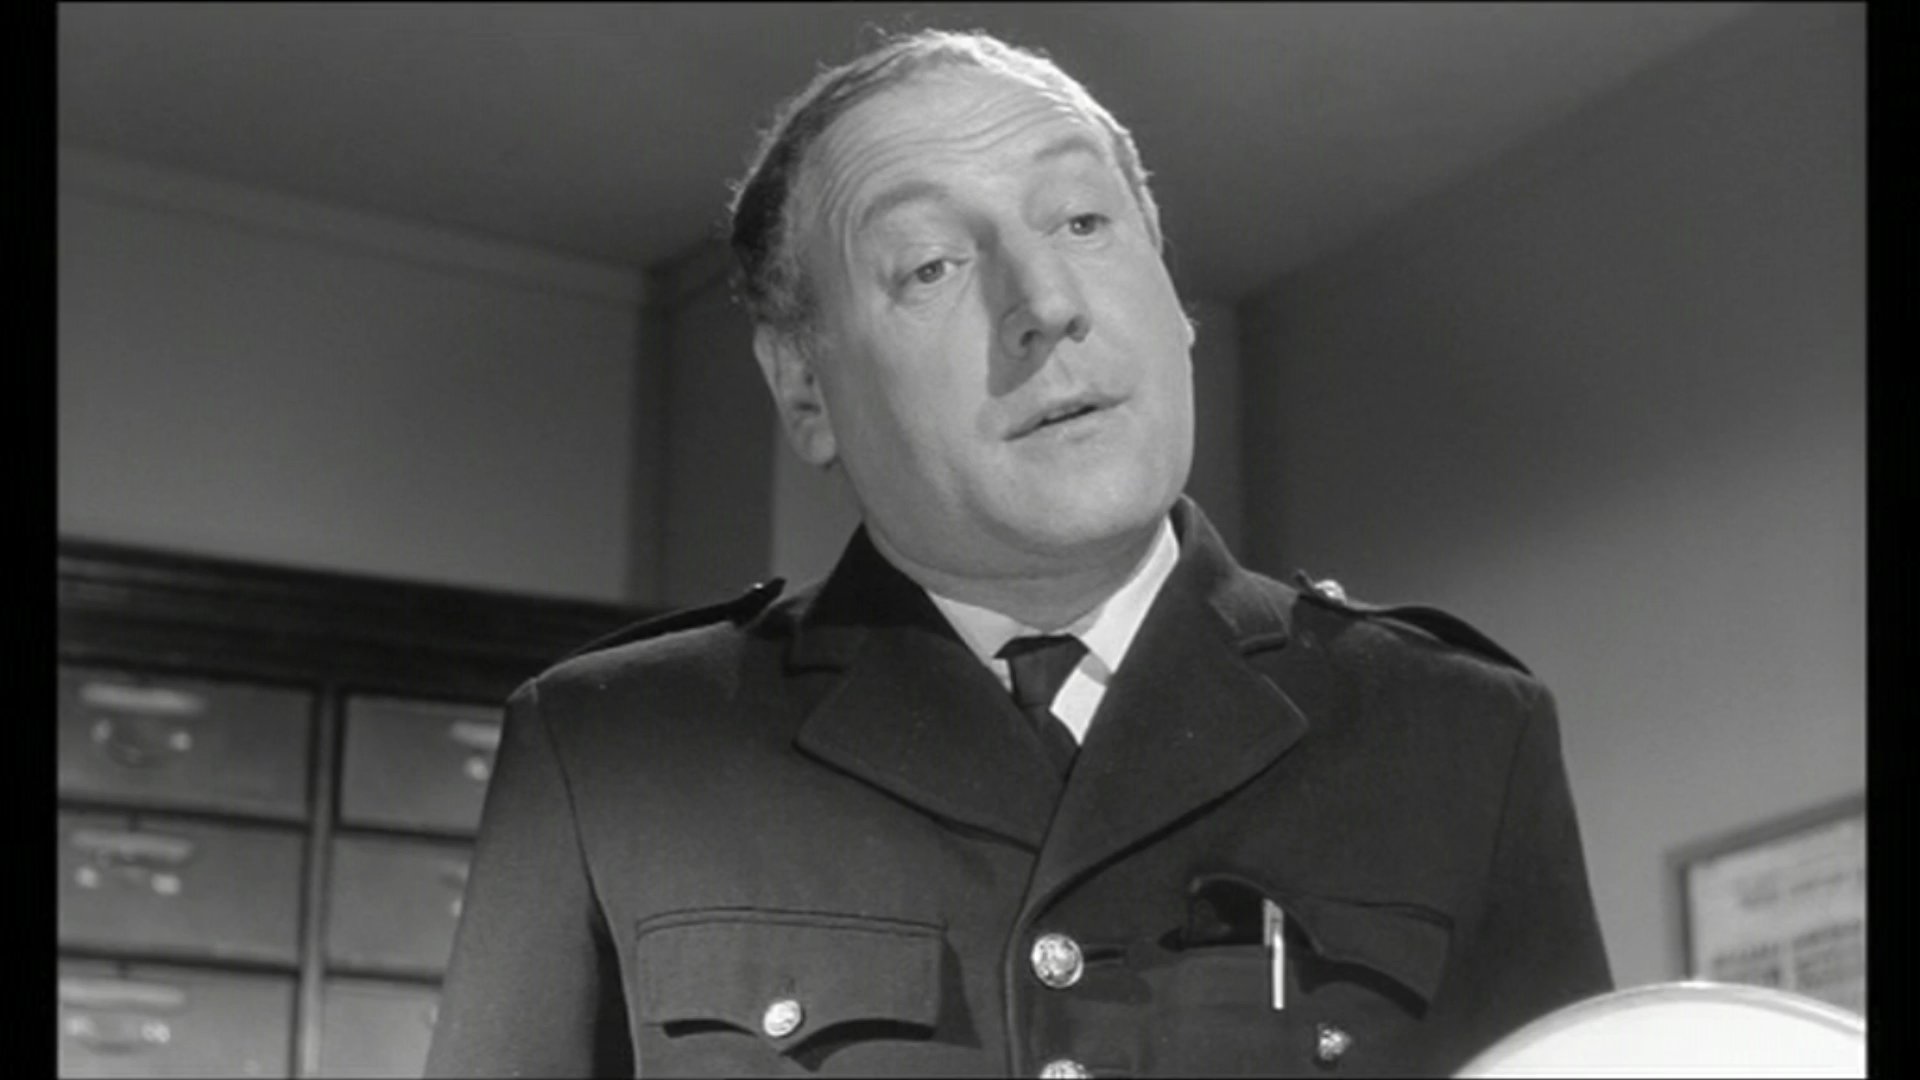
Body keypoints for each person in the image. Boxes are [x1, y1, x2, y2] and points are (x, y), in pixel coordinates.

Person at [425, 28, 1611, 1078]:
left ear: (1174, 298)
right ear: (805, 390)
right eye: (931, 266)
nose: (1045, 302)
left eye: (1084, 222)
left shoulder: (1461, 732)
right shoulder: (604, 755)